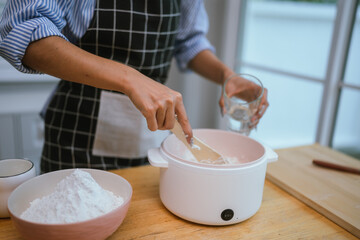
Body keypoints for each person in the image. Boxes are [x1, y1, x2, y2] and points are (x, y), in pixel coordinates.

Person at [0, 0, 268, 173]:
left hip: (148, 137)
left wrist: (227, 76)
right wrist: (130, 78)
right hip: (75, 138)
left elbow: (188, 40)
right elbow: (22, 31)